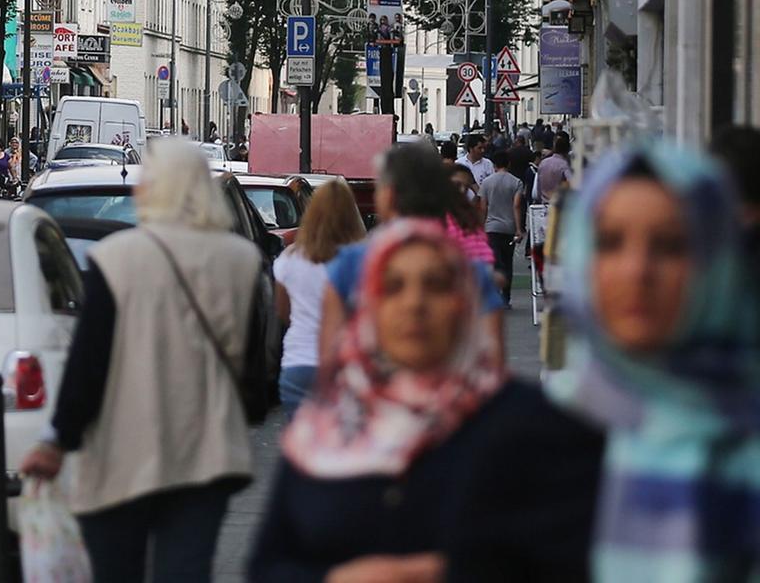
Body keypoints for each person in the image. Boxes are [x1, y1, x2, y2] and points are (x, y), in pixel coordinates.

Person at [253, 219, 604, 582]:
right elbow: (270, 565)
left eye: (436, 285)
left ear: (463, 302)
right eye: (393, 287)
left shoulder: (531, 426)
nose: (414, 303)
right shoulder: (325, 423)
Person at [21, 140, 264, 580]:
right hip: (206, 449)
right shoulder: (242, 261)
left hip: (123, 449)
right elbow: (252, 367)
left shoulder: (117, 259)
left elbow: (89, 363)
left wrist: (58, 438)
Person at [539, 143, 760, 582]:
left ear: (716, 263)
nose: (638, 270)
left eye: (671, 245)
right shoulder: (530, 437)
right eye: (610, 243)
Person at [319, 145, 508, 369]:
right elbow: (492, 360)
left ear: (388, 196)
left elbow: (329, 357)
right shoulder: (469, 271)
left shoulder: (348, 266)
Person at [273, 178, 368, 418]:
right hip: (347, 364)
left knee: (302, 447)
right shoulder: (365, 259)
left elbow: (283, 313)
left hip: (299, 362)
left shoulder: (290, 258)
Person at [479, 149, 527, 306]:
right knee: (508, 262)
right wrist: (519, 228)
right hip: (509, 227)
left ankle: (494, 294)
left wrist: (481, 225)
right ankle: (506, 297)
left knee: (494, 261)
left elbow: (483, 207)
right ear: (509, 163)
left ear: (494, 164)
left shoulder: (486, 182)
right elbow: (517, 205)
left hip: (491, 227)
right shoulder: (516, 182)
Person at [536, 131, 573, 202]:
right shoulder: (564, 165)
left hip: (544, 203)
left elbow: (538, 186)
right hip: (559, 205)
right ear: (567, 150)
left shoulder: (543, 163)